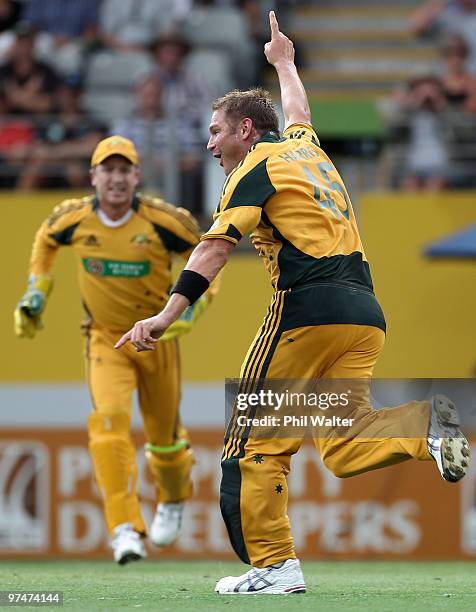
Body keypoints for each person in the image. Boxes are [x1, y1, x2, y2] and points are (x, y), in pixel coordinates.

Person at [115, 12, 471, 593]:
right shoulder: (306, 150)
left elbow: (213, 252)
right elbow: (299, 112)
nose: (209, 144)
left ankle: (273, 566)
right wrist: (285, 63)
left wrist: (163, 315)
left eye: (215, 131)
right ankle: (426, 424)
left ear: (246, 132)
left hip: (308, 310)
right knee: (344, 440)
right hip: (365, 314)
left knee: (252, 441)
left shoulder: (252, 169)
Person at [14, 135, 217, 565]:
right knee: (108, 426)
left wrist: (190, 313)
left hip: (156, 340)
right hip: (105, 338)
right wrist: (37, 293)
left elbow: (209, 254)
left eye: (125, 170)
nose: (117, 179)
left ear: (137, 176)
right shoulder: (72, 218)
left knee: (164, 441)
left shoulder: (164, 220)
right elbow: (45, 242)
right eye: (108, 170)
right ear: (94, 177)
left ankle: (173, 499)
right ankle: (123, 528)